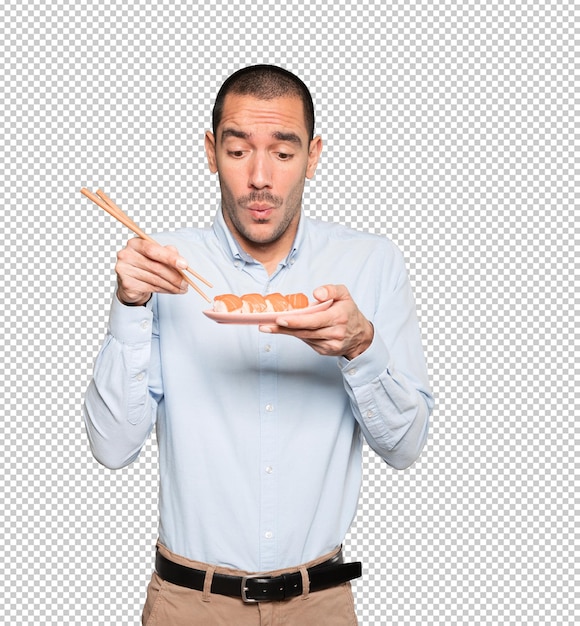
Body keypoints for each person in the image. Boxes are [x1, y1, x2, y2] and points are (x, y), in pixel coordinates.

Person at [83, 64, 434, 626]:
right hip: (187, 603)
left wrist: (361, 347)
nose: (261, 178)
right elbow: (111, 448)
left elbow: (406, 447)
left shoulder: (371, 262)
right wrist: (128, 306)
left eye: (285, 153)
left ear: (314, 157)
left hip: (319, 604)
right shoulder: (162, 264)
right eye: (239, 150)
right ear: (210, 151)